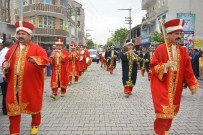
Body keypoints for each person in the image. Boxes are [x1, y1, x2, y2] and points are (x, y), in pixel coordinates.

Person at [150, 18, 199, 135]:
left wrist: (192, 84)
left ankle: (165, 130)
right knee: (163, 109)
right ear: (169, 34)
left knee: (171, 110)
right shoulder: (160, 49)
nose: (179, 36)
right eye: (176, 34)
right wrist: (165, 66)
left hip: (176, 87)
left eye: (180, 34)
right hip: (162, 84)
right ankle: (160, 131)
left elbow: (188, 70)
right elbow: (153, 66)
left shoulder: (182, 51)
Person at [2, 21, 49, 135]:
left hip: (31, 84)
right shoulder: (12, 49)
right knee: (13, 108)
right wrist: (5, 66)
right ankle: (14, 131)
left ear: (29, 35)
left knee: (34, 104)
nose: (20, 36)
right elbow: (6, 61)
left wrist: (35, 60)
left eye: (23, 34)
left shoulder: (37, 49)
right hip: (14, 85)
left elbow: (46, 61)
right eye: (19, 34)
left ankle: (35, 125)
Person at [0, 39, 14, 115]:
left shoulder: (5, 51)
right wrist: (4, 76)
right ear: (11, 45)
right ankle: (5, 109)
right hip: (3, 76)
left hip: (3, 76)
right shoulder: (6, 52)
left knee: (5, 93)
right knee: (5, 93)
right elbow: (2, 65)